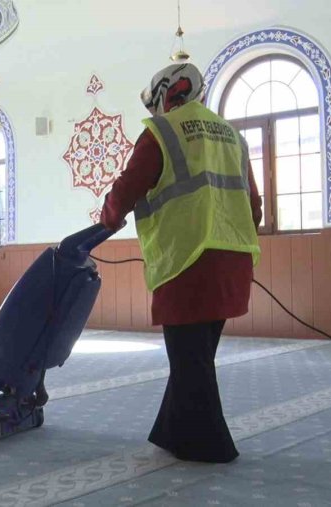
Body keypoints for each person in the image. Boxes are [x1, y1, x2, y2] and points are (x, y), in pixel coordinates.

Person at [100, 63, 262, 463]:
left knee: (191, 361)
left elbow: (127, 187)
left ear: (162, 97)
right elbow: (254, 207)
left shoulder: (161, 132)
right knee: (196, 357)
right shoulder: (233, 137)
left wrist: (105, 220)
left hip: (187, 263)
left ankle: (212, 447)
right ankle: (172, 433)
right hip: (233, 261)